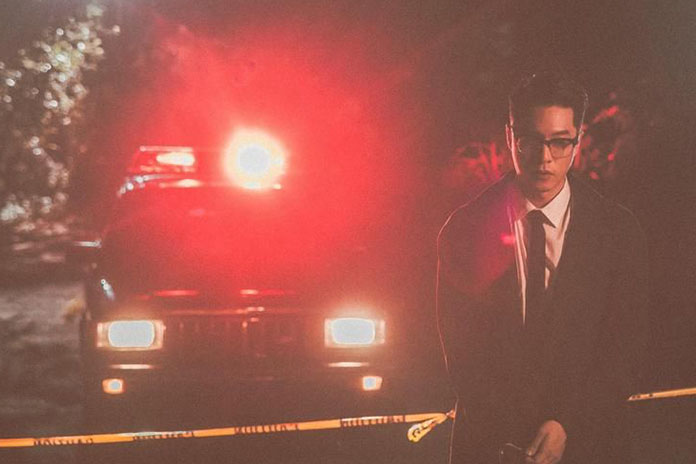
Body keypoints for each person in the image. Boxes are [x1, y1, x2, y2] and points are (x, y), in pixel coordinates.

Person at [436, 72, 648, 463]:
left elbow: (625, 347)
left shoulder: (616, 231)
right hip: (491, 447)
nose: (544, 157)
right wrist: (511, 434)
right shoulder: (465, 229)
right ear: (510, 136)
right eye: (530, 141)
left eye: (559, 142)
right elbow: (461, 352)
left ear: (578, 140)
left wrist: (567, 422)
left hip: (589, 444)